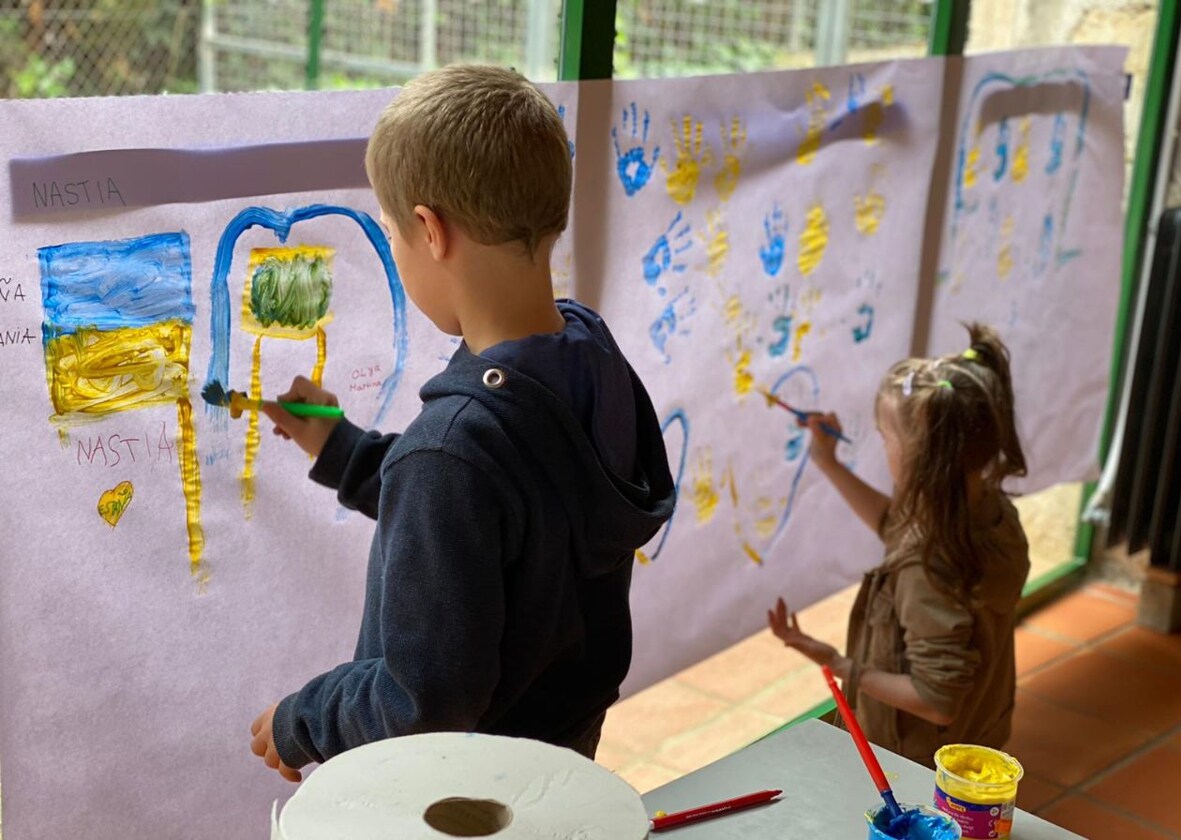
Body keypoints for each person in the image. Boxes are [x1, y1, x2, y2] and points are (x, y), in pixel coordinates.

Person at [249, 64, 677, 782]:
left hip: (458, 795)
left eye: (391, 234)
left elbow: (423, 700)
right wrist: (343, 448)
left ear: (429, 230)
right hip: (562, 762)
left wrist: (305, 720)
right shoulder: (589, 357)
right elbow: (495, 512)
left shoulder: (450, 455)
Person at [768, 323, 1030, 767]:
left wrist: (839, 663)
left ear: (925, 459)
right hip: (977, 735)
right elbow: (898, 526)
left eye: (887, 437)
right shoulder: (990, 513)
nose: (883, 445)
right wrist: (828, 465)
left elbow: (936, 699)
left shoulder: (925, 567)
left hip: (914, 761)